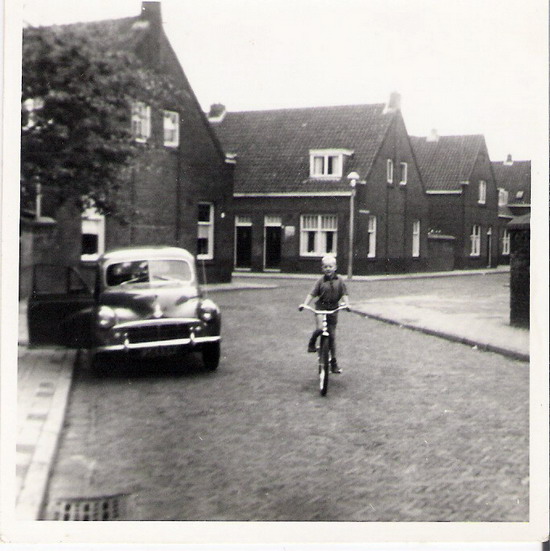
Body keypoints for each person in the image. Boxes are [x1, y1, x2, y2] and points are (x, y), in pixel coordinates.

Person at [299, 255, 349, 374]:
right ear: (322, 268)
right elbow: (312, 294)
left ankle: (334, 363)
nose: (328, 269)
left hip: (333, 309)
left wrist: (347, 305)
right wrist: (304, 304)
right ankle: (312, 343)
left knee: (332, 336)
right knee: (320, 329)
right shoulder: (320, 281)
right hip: (321, 307)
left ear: (335, 267)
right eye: (325, 267)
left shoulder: (340, 280)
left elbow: (344, 294)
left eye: (330, 266)